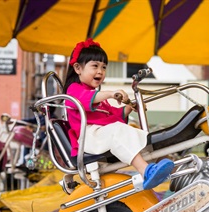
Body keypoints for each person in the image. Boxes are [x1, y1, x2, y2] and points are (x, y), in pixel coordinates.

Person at [63, 38, 174, 190]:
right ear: (78, 68)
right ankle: (145, 171)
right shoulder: (74, 90)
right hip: (88, 139)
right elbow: (84, 100)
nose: (100, 71)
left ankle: (174, 172)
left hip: (100, 135)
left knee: (141, 136)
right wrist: (109, 94)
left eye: (103, 67)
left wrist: (128, 108)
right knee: (118, 131)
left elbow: (112, 115)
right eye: (95, 66)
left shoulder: (97, 96)